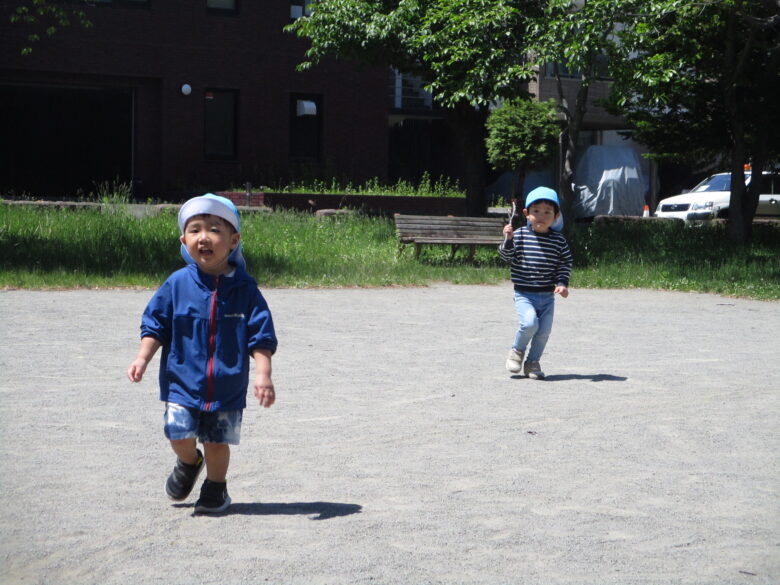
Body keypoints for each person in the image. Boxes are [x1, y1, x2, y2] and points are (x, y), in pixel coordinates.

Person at [127, 193, 277, 514]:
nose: (204, 237)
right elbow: (155, 324)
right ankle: (187, 461)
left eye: (214, 229)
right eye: (195, 229)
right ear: (184, 240)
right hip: (182, 382)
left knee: (216, 443)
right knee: (178, 432)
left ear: (234, 240)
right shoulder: (177, 284)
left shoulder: (245, 290)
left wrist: (263, 374)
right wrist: (143, 357)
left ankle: (216, 488)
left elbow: (261, 334)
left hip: (226, 386)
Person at [499, 187, 572, 379]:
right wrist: (507, 240)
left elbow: (565, 262)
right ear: (526, 214)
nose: (541, 216)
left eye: (547, 212)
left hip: (547, 296)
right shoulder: (521, 235)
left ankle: (532, 363)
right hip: (524, 293)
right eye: (536, 211)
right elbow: (507, 257)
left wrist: (562, 282)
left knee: (544, 332)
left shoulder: (558, 240)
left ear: (556, 216)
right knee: (530, 323)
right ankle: (517, 351)